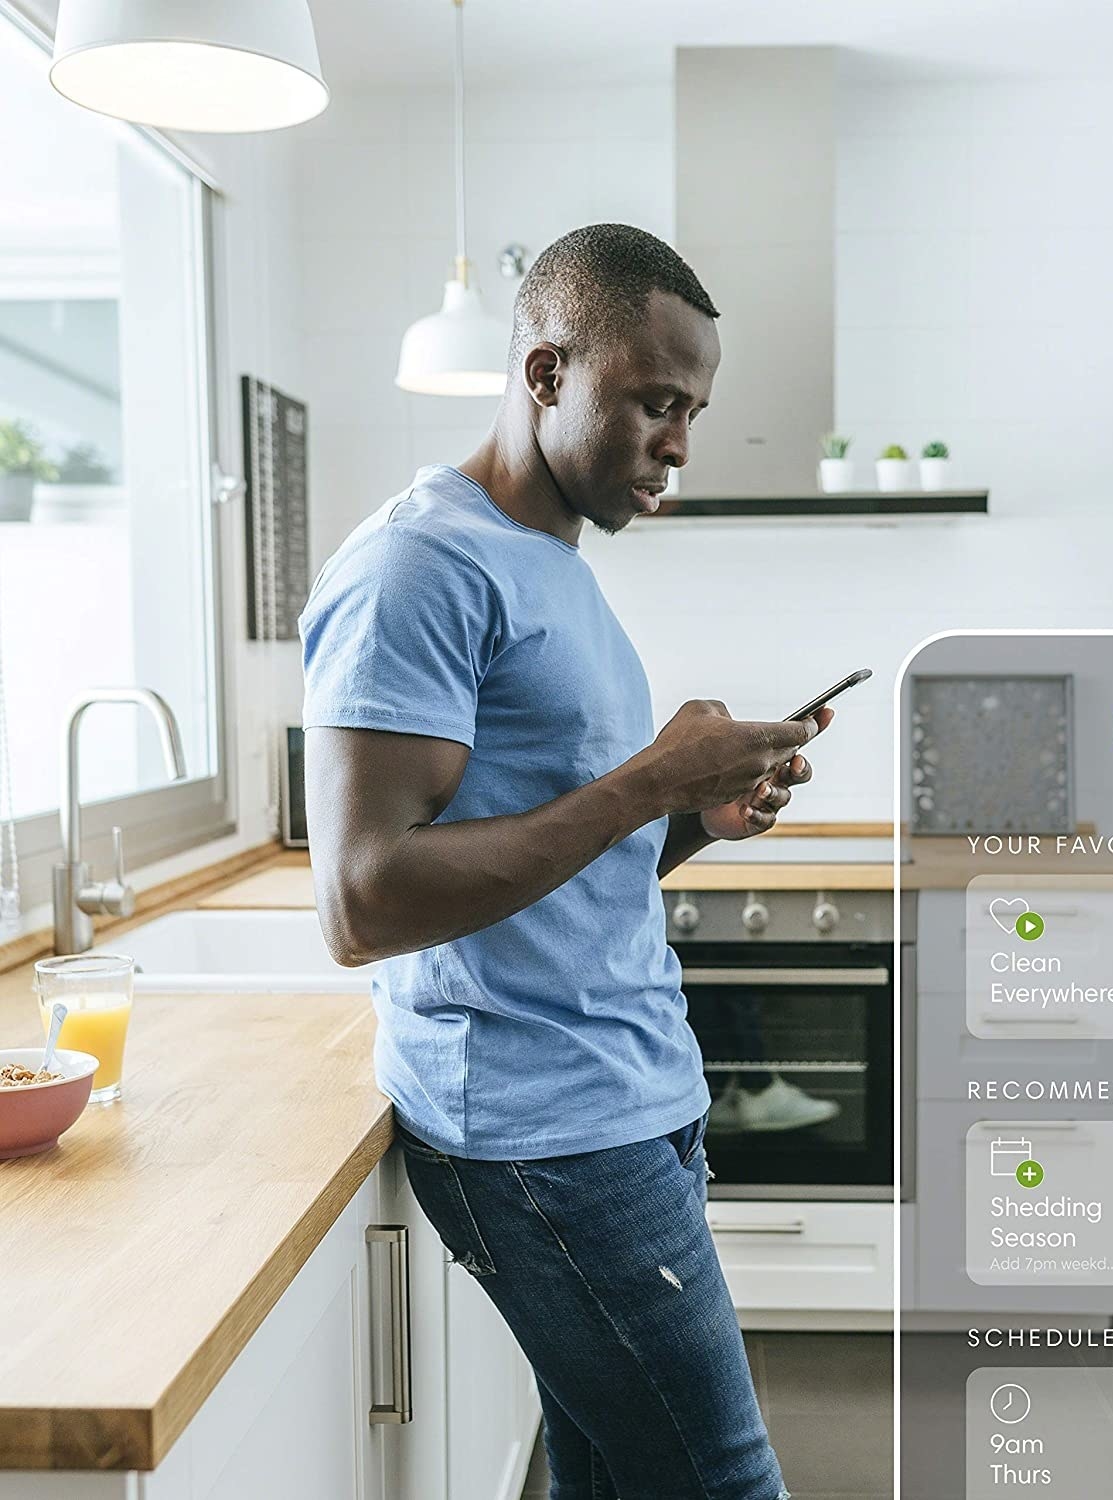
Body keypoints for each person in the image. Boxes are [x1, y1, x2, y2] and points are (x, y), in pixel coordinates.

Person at [299, 224, 824, 1500]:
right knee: (723, 1483)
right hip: (544, 1136)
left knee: (609, 1475)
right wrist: (650, 778)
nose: (681, 445)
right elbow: (363, 902)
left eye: (692, 411)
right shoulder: (420, 564)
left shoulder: (557, 569)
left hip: (627, 1104)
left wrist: (698, 814)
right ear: (545, 374)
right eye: (655, 402)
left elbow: (567, 876)